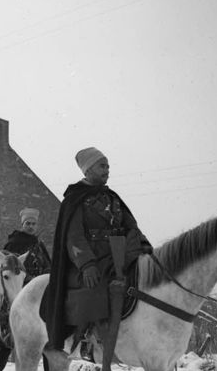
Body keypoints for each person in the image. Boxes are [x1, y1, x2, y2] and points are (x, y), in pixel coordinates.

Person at [40, 147, 153, 352]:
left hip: (119, 256)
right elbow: (73, 236)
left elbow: (132, 227)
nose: (107, 170)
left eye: (108, 166)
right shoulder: (75, 199)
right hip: (92, 260)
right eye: (102, 166)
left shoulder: (113, 198)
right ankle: (84, 336)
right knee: (95, 286)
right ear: (88, 170)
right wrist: (87, 264)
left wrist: (143, 245)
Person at [0, 208, 69, 371]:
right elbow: (8, 274)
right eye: (27, 223)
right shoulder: (13, 245)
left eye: (33, 224)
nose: (30, 226)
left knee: (57, 355)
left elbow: (50, 269)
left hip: (42, 299)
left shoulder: (39, 246)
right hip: (21, 299)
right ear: (22, 224)